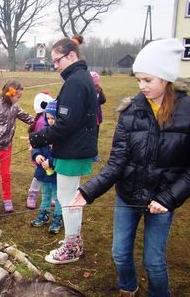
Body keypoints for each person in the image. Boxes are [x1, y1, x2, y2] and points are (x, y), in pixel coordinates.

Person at [72, 39, 189, 297]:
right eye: (138, 80)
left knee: (154, 262)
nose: (141, 86)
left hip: (162, 201)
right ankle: (128, 287)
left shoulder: (187, 113)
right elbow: (117, 161)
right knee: (120, 254)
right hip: (128, 196)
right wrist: (88, 191)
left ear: (166, 78)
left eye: (148, 80)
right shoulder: (131, 112)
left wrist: (168, 198)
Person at [29, 35, 98, 264]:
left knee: (67, 199)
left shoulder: (76, 81)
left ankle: (70, 248)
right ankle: (74, 241)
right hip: (76, 147)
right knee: (71, 198)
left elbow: (66, 123)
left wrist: (37, 137)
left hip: (73, 149)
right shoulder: (80, 77)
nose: (55, 66)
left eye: (57, 61)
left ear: (71, 56)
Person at [0, 80, 34, 221]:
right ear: (9, 94)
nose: (18, 100)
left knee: (6, 174)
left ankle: (7, 199)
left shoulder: (15, 107)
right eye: (17, 97)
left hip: (7, 147)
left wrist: (39, 123)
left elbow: (26, 117)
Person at [30, 101, 63, 234]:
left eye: (53, 118)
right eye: (48, 118)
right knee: (45, 195)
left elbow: (63, 153)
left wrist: (51, 161)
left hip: (56, 172)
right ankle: (43, 215)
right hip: (43, 172)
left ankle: (57, 218)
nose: (50, 121)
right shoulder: (45, 132)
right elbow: (37, 146)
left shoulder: (62, 135)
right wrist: (37, 155)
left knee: (57, 196)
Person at [26, 92, 54, 209]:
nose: (50, 120)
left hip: (49, 156)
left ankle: (50, 195)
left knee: (50, 175)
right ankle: (32, 196)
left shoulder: (43, 119)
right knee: (39, 176)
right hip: (41, 155)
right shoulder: (43, 121)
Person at [90, 71, 106, 162]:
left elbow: (103, 100)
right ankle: (92, 156)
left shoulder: (88, 90)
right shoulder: (98, 90)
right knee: (94, 137)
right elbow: (103, 100)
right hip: (94, 119)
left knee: (91, 137)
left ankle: (92, 155)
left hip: (92, 119)